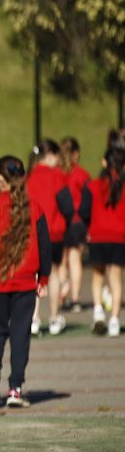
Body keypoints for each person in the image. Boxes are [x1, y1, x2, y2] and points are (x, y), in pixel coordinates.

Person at [0, 156, 51, 408]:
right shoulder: (34, 208)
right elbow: (45, 244)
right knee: (20, 335)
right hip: (26, 282)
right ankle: (15, 388)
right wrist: (44, 275)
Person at [80, 144, 125, 337]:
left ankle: (98, 311)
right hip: (120, 236)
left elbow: (83, 211)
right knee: (116, 278)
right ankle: (115, 319)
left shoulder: (93, 185)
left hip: (98, 235)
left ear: (104, 163)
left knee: (98, 277)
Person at [26, 139, 69, 335]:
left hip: (32, 233)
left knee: (34, 276)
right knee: (53, 275)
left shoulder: (28, 177)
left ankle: (33, 319)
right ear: (50, 156)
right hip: (54, 232)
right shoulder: (57, 176)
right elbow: (67, 205)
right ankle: (53, 317)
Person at [58, 137, 90, 313]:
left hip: (61, 220)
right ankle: (75, 298)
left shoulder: (57, 174)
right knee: (75, 258)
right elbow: (88, 200)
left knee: (61, 260)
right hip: (78, 221)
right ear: (76, 154)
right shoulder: (82, 175)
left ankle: (62, 291)